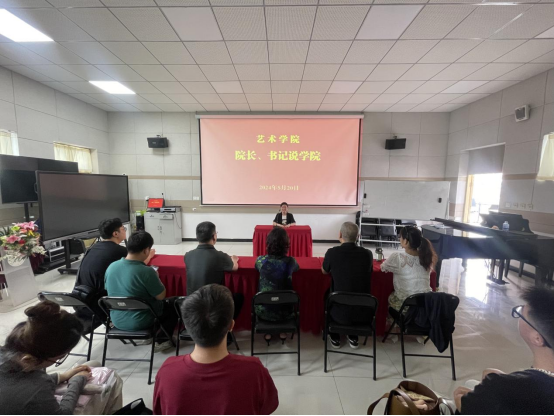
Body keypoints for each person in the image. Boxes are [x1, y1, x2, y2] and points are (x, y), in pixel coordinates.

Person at [153, 284, 279, 416]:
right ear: (231, 325)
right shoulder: (254, 370)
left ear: (187, 327)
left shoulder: (167, 371)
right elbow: (267, 407)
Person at [0, 301, 123, 415]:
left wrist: (63, 376)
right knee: (112, 378)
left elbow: (25, 383)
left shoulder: (13, 359)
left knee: (93, 364)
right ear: (29, 360)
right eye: (59, 358)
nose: (58, 360)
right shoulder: (36, 388)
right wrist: (77, 381)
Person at [453, 287, 554, 415]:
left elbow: (467, 406)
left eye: (520, 314)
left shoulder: (497, 387)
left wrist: (461, 400)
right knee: (471, 383)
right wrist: (507, 379)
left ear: (537, 339)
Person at [104, 231, 177, 353]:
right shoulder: (147, 272)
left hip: (117, 320)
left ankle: (151, 337)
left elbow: (109, 290)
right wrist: (156, 277)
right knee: (173, 303)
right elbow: (161, 296)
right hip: (141, 321)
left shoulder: (112, 267)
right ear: (146, 250)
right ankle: (162, 340)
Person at [73, 219, 155, 320]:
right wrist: (149, 255)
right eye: (123, 229)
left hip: (81, 299)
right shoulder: (119, 251)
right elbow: (137, 264)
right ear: (116, 234)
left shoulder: (92, 248)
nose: (125, 231)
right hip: (100, 304)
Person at [322, 222, 373, 350]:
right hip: (363, 314)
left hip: (338, 314)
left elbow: (324, 271)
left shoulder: (332, 253)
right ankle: (353, 334)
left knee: (327, 295)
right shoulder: (367, 254)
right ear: (358, 236)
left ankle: (334, 333)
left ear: (340, 234)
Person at [185, 222, 244, 329]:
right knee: (238, 298)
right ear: (214, 236)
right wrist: (234, 260)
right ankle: (225, 329)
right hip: (212, 305)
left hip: (192, 304)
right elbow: (234, 268)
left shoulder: (188, 255)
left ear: (197, 237)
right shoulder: (220, 256)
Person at [255, 227, 299, 345]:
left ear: (268, 244)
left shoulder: (260, 261)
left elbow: (256, 267)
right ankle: (282, 330)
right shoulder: (290, 262)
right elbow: (297, 268)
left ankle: (268, 331)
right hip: (285, 312)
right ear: (286, 245)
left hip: (263, 311)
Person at [381, 226, 437, 312]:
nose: (399, 239)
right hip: (426, 304)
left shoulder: (397, 257)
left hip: (406, 305)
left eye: (400, 237)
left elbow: (383, 267)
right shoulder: (426, 257)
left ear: (406, 241)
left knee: (390, 297)